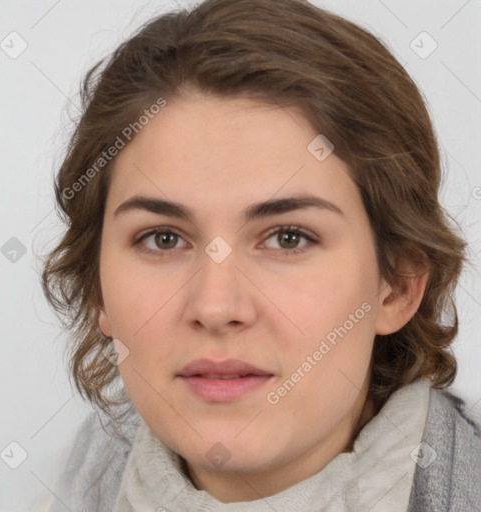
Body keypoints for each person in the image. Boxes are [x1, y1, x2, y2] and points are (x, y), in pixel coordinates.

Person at [36, 0, 481, 510]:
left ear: (397, 285)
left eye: (288, 238)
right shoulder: (72, 482)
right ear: (98, 287)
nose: (216, 307)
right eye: (163, 238)